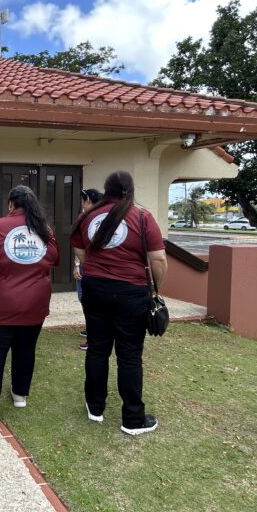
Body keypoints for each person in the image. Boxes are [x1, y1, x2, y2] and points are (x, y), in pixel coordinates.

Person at [70, 170, 167, 435]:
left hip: (94, 289)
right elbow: (158, 259)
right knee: (130, 355)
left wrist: (97, 269)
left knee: (97, 349)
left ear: (107, 189)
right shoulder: (142, 216)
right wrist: (156, 287)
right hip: (131, 292)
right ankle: (133, 419)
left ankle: (95, 407)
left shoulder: (87, 216)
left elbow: (80, 251)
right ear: (131, 190)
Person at [0, 186, 59, 416]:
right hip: (34, 302)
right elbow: (54, 257)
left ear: (10, 204)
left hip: (0, 302)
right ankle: (20, 395)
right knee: (26, 349)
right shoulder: (44, 229)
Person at [73, 188, 101, 351]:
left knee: (87, 298)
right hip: (100, 268)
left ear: (88, 200)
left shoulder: (85, 218)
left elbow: (80, 246)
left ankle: (93, 335)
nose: (81, 204)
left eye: (82, 200)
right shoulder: (108, 217)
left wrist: (79, 265)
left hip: (90, 266)